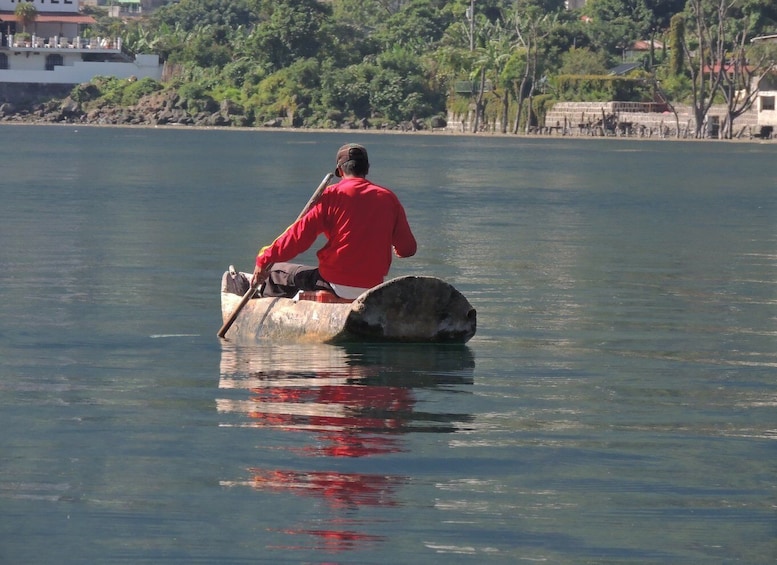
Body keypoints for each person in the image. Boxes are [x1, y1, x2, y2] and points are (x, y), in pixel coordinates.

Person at [249, 143, 417, 300]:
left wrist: (263, 259)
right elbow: (408, 249)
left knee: (276, 272)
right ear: (367, 169)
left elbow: (298, 237)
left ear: (340, 171)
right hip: (372, 289)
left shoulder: (333, 195)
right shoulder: (388, 198)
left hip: (335, 282)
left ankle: (268, 318)